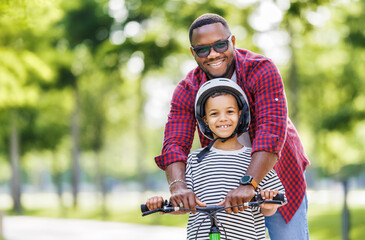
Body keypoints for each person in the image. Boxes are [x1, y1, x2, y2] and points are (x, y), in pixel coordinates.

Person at [155, 13, 310, 239]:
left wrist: (249, 184)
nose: (213, 54)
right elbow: (174, 142)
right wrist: (178, 186)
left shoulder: (261, 69)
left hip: (277, 178)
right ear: (193, 53)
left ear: (233, 42)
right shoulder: (187, 89)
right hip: (226, 189)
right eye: (203, 50)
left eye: (220, 45)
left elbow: (271, 131)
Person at [147, 78, 286, 239]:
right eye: (214, 113)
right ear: (205, 119)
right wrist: (159, 205)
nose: (222, 118)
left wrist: (268, 200)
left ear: (240, 115)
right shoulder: (194, 160)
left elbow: (269, 208)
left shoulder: (255, 160)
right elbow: (184, 205)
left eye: (230, 112)